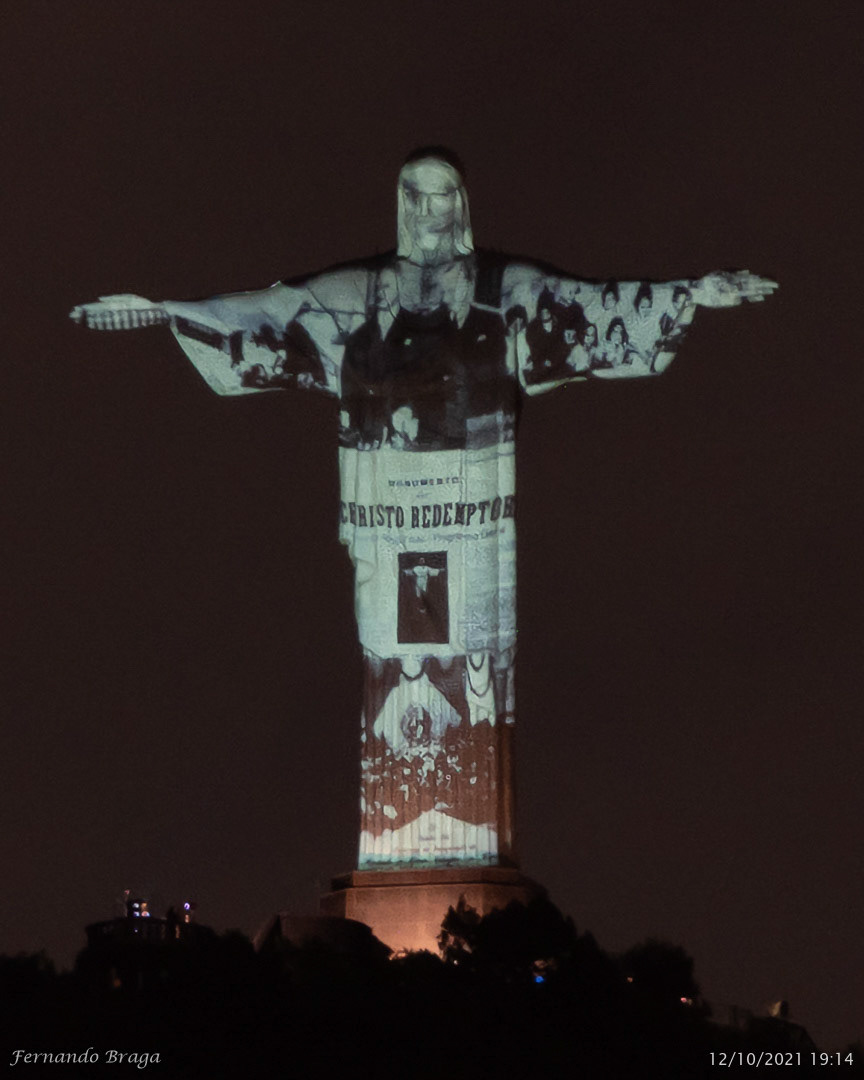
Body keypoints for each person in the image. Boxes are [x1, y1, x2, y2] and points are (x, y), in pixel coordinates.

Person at [71, 147, 777, 868]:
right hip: (388, 512)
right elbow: (273, 312)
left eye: (444, 197)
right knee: (388, 662)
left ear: (462, 204)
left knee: (475, 664)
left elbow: (585, 306)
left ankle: (468, 849)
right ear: (401, 203)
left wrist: (690, 292)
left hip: (473, 508)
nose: (429, 212)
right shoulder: (366, 290)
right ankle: (396, 844)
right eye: (415, 196)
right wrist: (163, 312)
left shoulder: (501, 286)